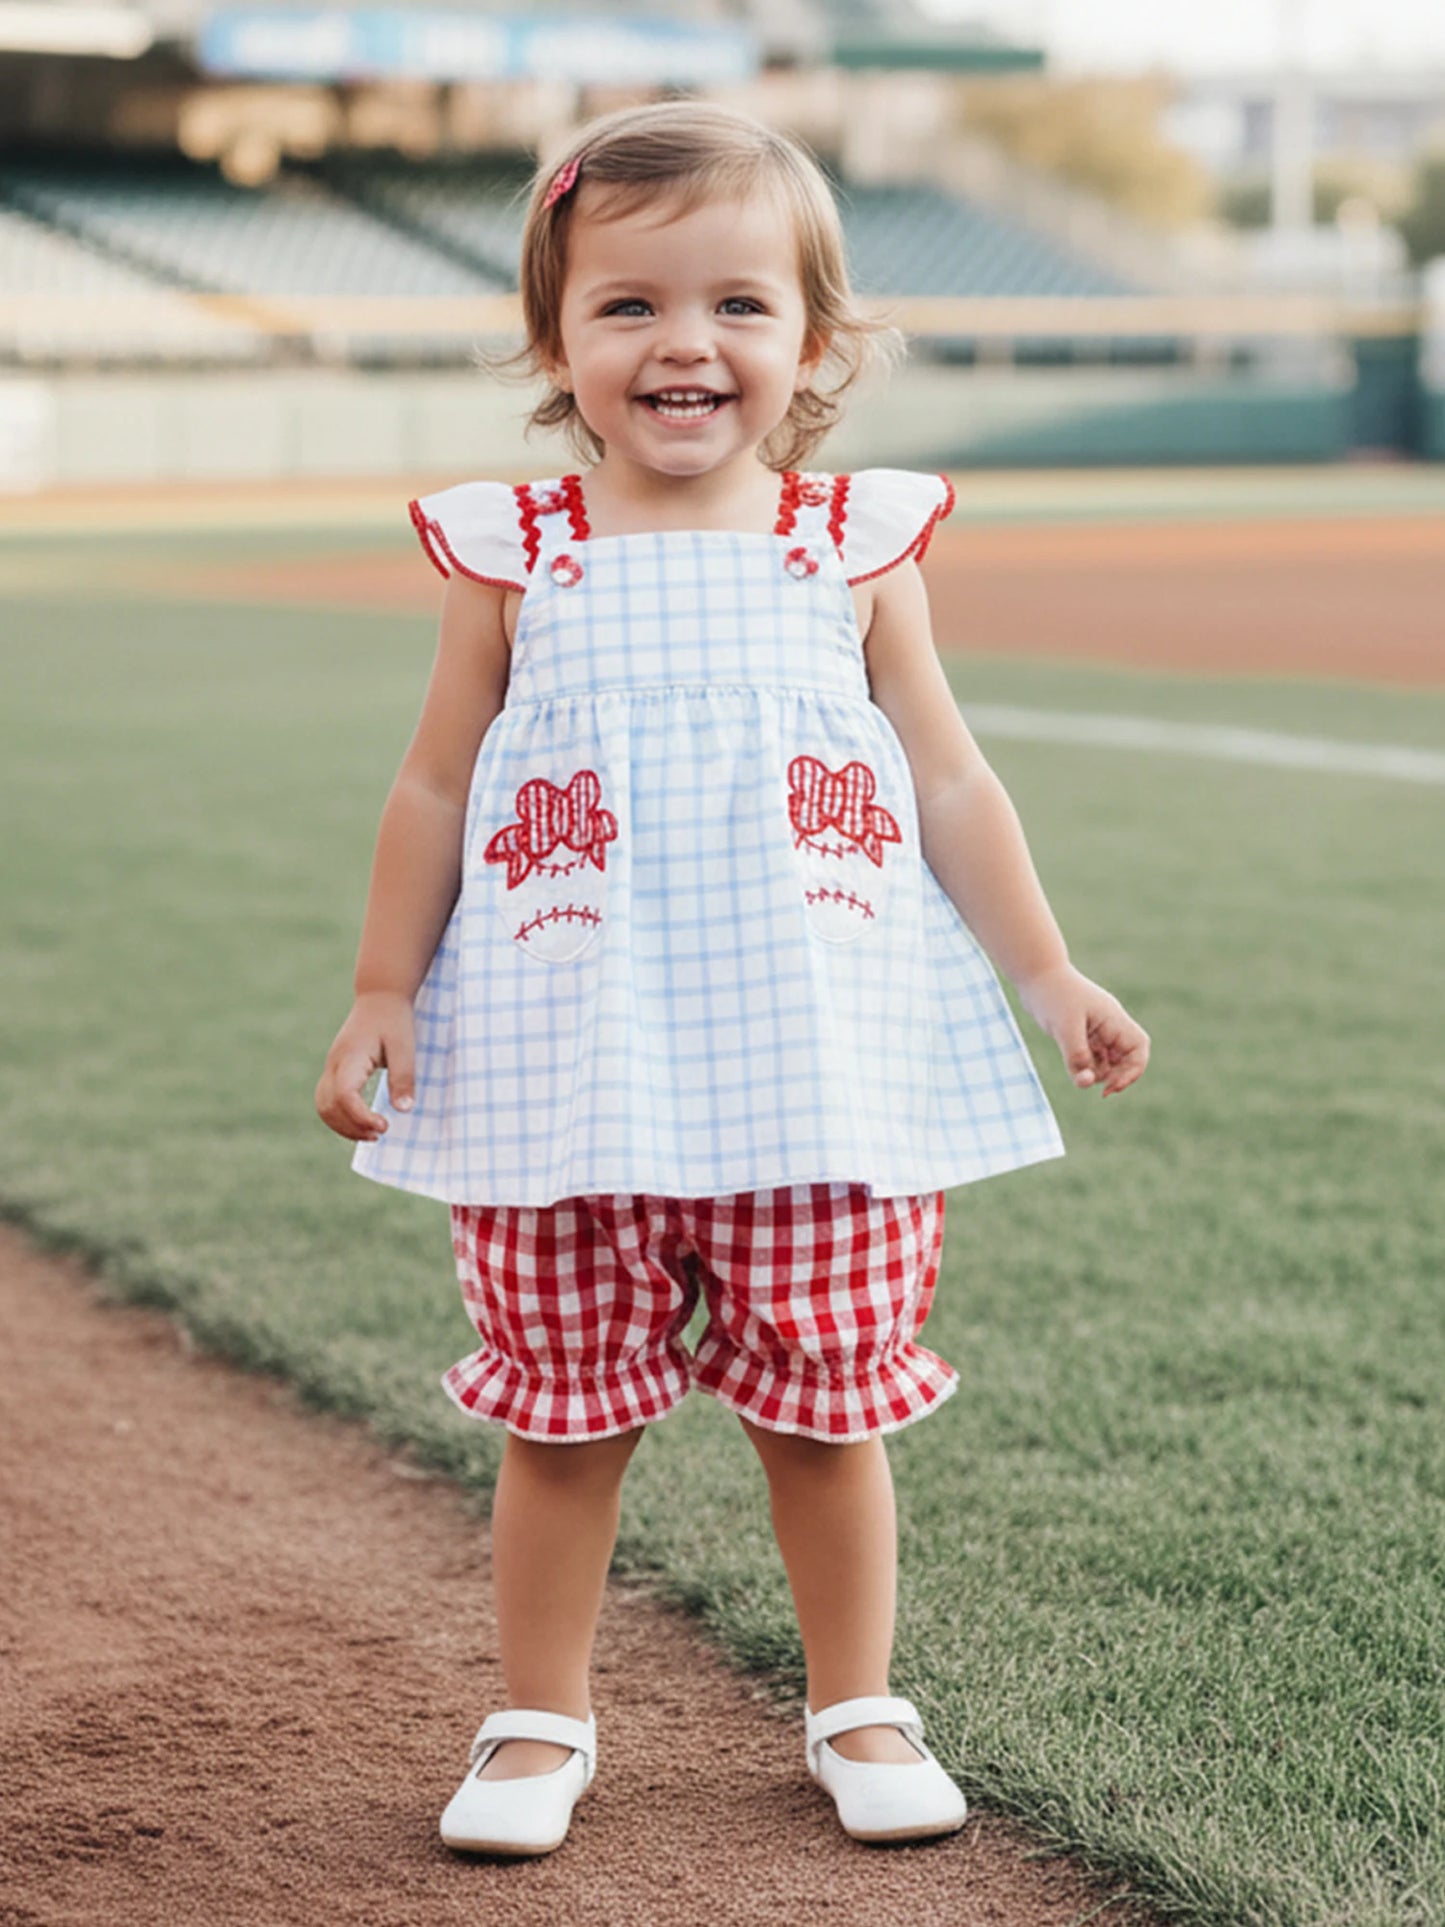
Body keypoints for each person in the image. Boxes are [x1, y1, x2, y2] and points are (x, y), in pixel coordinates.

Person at [314, 98, 1150, 1859]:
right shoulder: (516, 552)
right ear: (555, 341)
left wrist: (1048, 970)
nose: (683, 342)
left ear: (815, 344)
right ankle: (540, 1720)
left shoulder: (851, 545)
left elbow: (946, 779)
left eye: (738, 304)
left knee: (824, 1411)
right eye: (627, 305)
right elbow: (435, 784)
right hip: (568, 1072)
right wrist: (384, 986)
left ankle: (857, 1705)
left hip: (817, 1075)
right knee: (562, 1423)